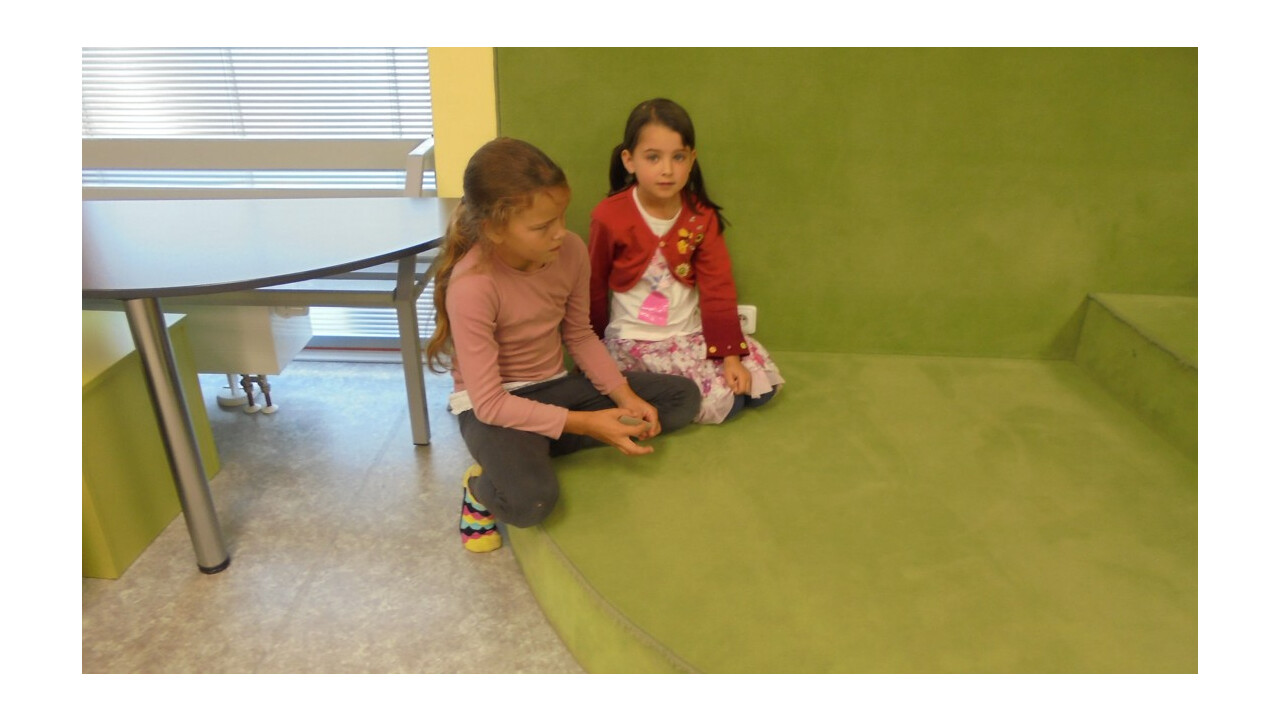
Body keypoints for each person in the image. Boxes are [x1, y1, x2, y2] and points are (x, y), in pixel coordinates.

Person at [427, 137, 701, 553]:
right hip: (493, 408)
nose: (560, 233)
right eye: (542, 227)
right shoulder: (472, 286)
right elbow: (491, 405)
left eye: (561, 217)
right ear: (494, 229)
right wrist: (588, 424)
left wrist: (625, 398)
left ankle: (540, 443)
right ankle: (480, 487)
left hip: (555, 386)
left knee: (682, 398)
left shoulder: (571, 251)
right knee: (531, 502)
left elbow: (579, 335)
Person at [589, 98, 784, 424]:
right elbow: (592, 286)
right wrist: (592, 354)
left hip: (691, 336)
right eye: (653, 157)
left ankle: (671, 394)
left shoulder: (700, 216)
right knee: (719, 403)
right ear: (629, 160)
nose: (667, 170)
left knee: (759, 389)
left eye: (678, 157)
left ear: (691, 159)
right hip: (634, 341)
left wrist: (730, 357)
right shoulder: (608, 216)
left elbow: (718, 288)